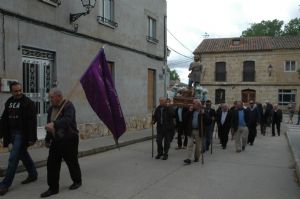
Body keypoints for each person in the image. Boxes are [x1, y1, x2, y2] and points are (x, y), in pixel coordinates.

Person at [40, 88, 82, 198]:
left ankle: (77, 181)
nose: (50, 100)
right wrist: (48, 139)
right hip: (56, 140)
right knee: (52, 164)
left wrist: (54, 124)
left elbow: (68, 120)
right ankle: (53, 188)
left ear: (59, 96)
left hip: (69, 139)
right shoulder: (50, 109)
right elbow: (49, 125)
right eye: (50, 97)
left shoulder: (68, 106)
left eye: (52, 97)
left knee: (71, 162)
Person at [0, 81, 38, 196]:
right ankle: (33, 174)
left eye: (20, 90)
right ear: (11, 91)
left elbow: (32, 122)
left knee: (13, 159)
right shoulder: (9, 102)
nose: (18, 93)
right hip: (11, 134)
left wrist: (32, 137)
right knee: (22, 154)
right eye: (16, 91)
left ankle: (4, 185)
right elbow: (4, 118)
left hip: (21, 134)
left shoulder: (28, 103)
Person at [183, 99, 206, 164]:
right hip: (191, 130)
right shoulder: (191, 111)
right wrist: (189, 111)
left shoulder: (202, 111)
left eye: (194, 104)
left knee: (198, 146)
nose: (193, 105)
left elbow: (208, 121)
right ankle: (189, 158)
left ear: (198, 105)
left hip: (199, 131)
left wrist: (204, 114)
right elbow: (184, 118)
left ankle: (196, 157)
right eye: (193, 103)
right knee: (189, 144)